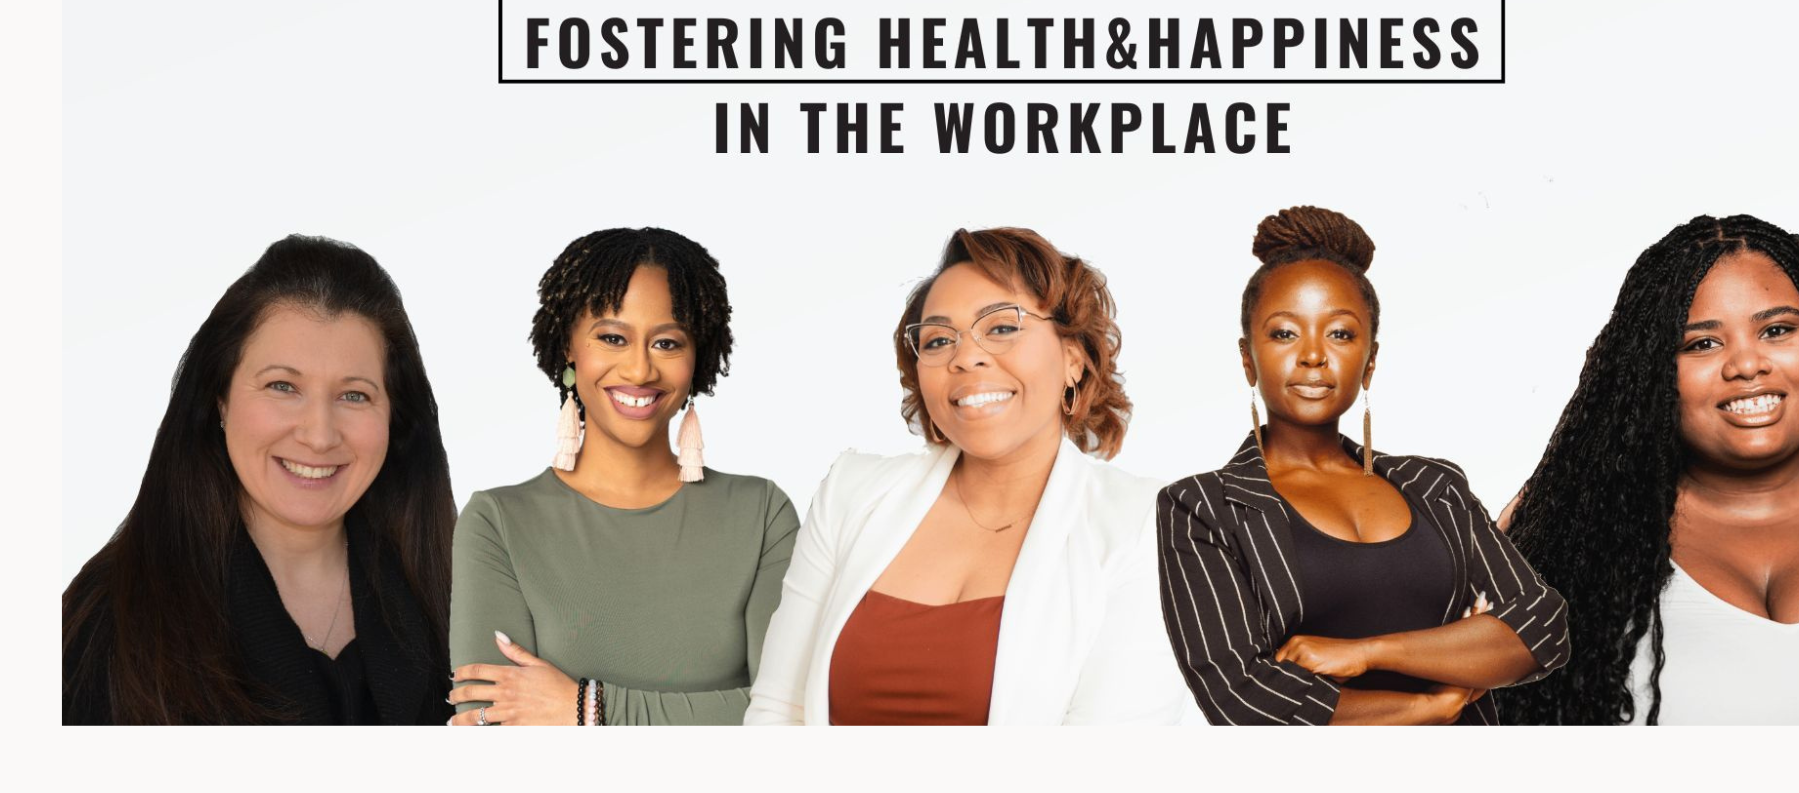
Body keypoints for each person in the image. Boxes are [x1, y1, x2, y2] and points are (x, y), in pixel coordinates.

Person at [1499, 213, 1799, 725]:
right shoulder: (1568, 536)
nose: (1747, 365)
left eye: (1776, 330)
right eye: (1702, 343)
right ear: (1651, 370)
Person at [746, 224, 1183, 725]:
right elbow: (780, 709)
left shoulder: (1150, 526)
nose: (965, 356)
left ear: (1073, 360)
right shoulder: (852, 493)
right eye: (937, 340)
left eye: (1001, 327)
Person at [1156, 206, 1567, 726]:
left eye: (1340, 335)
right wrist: (1432, 702)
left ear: (1370, 360)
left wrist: (1367, 652)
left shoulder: (1434, 485)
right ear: (1247, 358)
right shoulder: (1203, 507)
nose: (1312, 356)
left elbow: (1541, 626)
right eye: (1284, 334)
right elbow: (1244, 695)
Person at [64, 234, 452, 724]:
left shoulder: (464, 602)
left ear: (395, 417)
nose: (318, 435)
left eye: (354, 395)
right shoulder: (108, 619)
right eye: (282, 386)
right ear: (220, 399)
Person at [449, 225, 798, 727]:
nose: (639, 370)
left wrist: (589, 709)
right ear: (569, 346)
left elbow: (790, 720)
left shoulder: (761, 514)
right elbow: (491, 728)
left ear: (697, 356)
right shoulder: (498, 523)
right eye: (612, 338)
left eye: (667, 343)